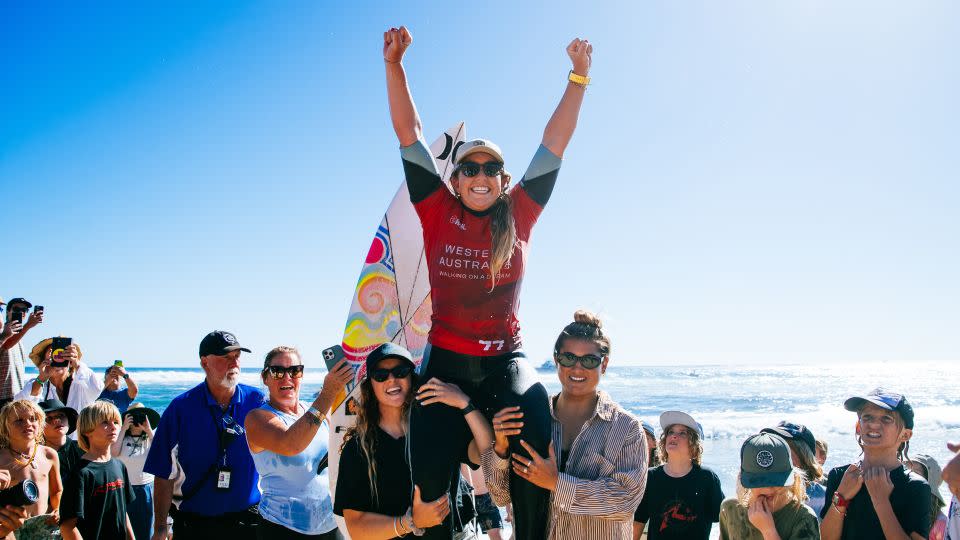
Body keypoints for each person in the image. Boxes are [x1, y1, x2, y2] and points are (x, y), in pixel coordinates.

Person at [383, 24, 592, 540]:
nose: (480, 174)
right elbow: (409, 136)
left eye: (492, 167)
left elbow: (553, 145)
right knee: (429, 495)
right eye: (469, 166)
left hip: (504, 361)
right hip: (445, 360)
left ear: (504, 180)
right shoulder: (435, 210)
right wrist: (394, 66)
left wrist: (579, 78)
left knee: (533, 416)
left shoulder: (520, 213)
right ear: (454, 180)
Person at [485, 311, 647, 539]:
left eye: (589, 360)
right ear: (556, 359)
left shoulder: (626, 429)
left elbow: (624, 503)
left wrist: (557, 483)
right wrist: (500, 448)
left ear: (605, 364)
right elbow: (500, 496)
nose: (577, 368)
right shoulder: (531, 417)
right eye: (568, 358)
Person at [333, 342, 493, 539]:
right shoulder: (358, 448)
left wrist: (464, 403)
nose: (391, 380)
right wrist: (409, 522)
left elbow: (485, 454)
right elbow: (355, 526)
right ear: (370, 386)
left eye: (400, 371)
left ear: (411, 377)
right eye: (381, 375)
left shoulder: (438, 426)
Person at [143, 330, 264, 540]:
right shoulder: (180, 408)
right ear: (204, 362)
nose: (233, 363)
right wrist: (161, 527)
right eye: (225, 357)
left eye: (236, 357)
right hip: (196, 525)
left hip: (249, 522)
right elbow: (163, 473)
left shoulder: (258, 401)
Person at [244, 345, 353, 539]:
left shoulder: (318, 412)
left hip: (330, 525)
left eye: (294, 370)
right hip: (281, 528)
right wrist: (328, 394)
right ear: (265, 378)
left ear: (301, 375)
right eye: (277, 371)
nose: (287, 377)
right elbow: (290, 444)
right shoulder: (257, 419)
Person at [820, 388, 930, 540]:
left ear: (905, 434)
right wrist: (841, 498)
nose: (874, 424)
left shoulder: (915, 487)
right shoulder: (840, 476)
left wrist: (881, 501)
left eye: (886, 419)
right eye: (867, 417)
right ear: (858, 427)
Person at [633, 410, 724, 540]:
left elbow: (724, 520)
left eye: (682, 433)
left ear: (694, 445)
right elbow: (638, 522)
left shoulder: (707, 478)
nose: (674, 436)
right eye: (671, 432)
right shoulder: (651, 477)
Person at [719, 432, 820, 540]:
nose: (768, 489)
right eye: (759, 481)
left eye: (776, 481)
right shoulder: (730, 509)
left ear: (794, 478)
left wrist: (768, 531)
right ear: (742, 479)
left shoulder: (803, 518)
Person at [59, 400, 136, 540]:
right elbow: (67, 526)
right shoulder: (81, 473)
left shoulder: (119, 466)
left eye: (116, 422)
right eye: (105, 423)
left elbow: (122, 511)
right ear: (88, 431)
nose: (113, 427)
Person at [0, 400, 62, 532]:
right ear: (5, 428)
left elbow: (56, 490)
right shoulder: (1, 458)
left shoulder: (49, 454)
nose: (27, 424)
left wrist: (57, 509)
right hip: (13, 528)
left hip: (45, 525)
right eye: (19, 420)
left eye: (33, 419)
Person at [16, 337, 103, 426]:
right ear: (43, 359)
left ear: (70, 361)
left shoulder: (81, 383)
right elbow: (19, 407)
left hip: (78, 439)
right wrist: (41, 378)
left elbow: (97, 388)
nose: (57, 356)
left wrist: (77, 364)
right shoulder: (37, 384)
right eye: (52, 352)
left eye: (63, 353)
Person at [112, 403, 160, 540]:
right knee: (124, 529)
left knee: (145, 528)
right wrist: (123, 428)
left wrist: (149, 430)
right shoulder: (120, 438)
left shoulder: (150, 439)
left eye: (141, 417)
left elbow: (160, 453)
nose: (137, 420)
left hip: (146, 488)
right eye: (134, 417)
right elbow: (114, 453)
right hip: (124, 488)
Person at [761, 421, 827, 518]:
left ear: (804, 457)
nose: (776, 456)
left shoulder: (824, 498)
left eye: (783, 449)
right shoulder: (762, 494)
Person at [0, 298, 43, 408]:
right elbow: (6, 345)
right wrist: (28, 325)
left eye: (24, 310)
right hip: (2, 397)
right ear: (8, 311)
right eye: (16, 309)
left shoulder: (18, 336)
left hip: (14, 395)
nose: (21, 312)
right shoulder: (4, 331)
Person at [39, 398, 85, 484]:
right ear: (39, 427)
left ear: (68, 420)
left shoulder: (84, 448)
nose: (57, 420)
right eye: (48, 418)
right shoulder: (36, 456)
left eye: (61, 416)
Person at [906, 454, 948, 540]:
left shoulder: (941, 524)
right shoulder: (902, 507)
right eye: (907, 471)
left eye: (916, 473)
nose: (909, 476)